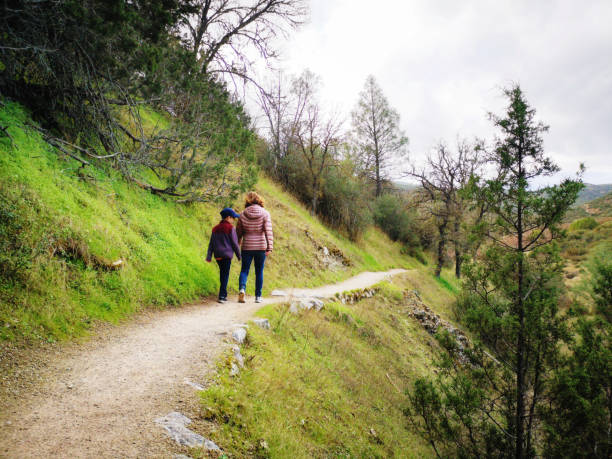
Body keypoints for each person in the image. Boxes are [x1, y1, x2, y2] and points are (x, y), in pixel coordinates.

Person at [236, 192, 273, 303]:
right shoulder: (265, 214)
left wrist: (238, 243)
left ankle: (242, 289)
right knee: (259, 271)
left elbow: (239, 232)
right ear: (259, 200)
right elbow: (268, 231)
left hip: (247, 246)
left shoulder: (242, 214)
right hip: (261, 246)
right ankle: (258, 296)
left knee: (244, 270)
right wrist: (269, 247)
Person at [206, 207, 241, 303]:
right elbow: (235, 243)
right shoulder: (230, 228)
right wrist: (239, 255)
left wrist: (209, 256)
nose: (234, 220)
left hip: (217, 255)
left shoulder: (215, 229)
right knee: (225, 274)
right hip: (226, 255)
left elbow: (211, 243)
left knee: (223, 273)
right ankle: (222, 296)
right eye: (233, 218)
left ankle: (223, 294)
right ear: (228, 217)